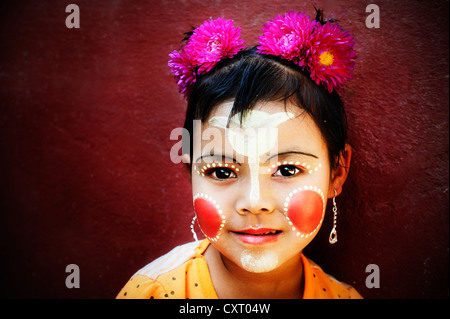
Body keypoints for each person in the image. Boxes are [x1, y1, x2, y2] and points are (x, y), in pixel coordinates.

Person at [117, 10, 362, 299]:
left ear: (337, 171)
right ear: (190, 170)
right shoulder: (152, 293)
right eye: (221, 172)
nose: (254, 203)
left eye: (287, 170)